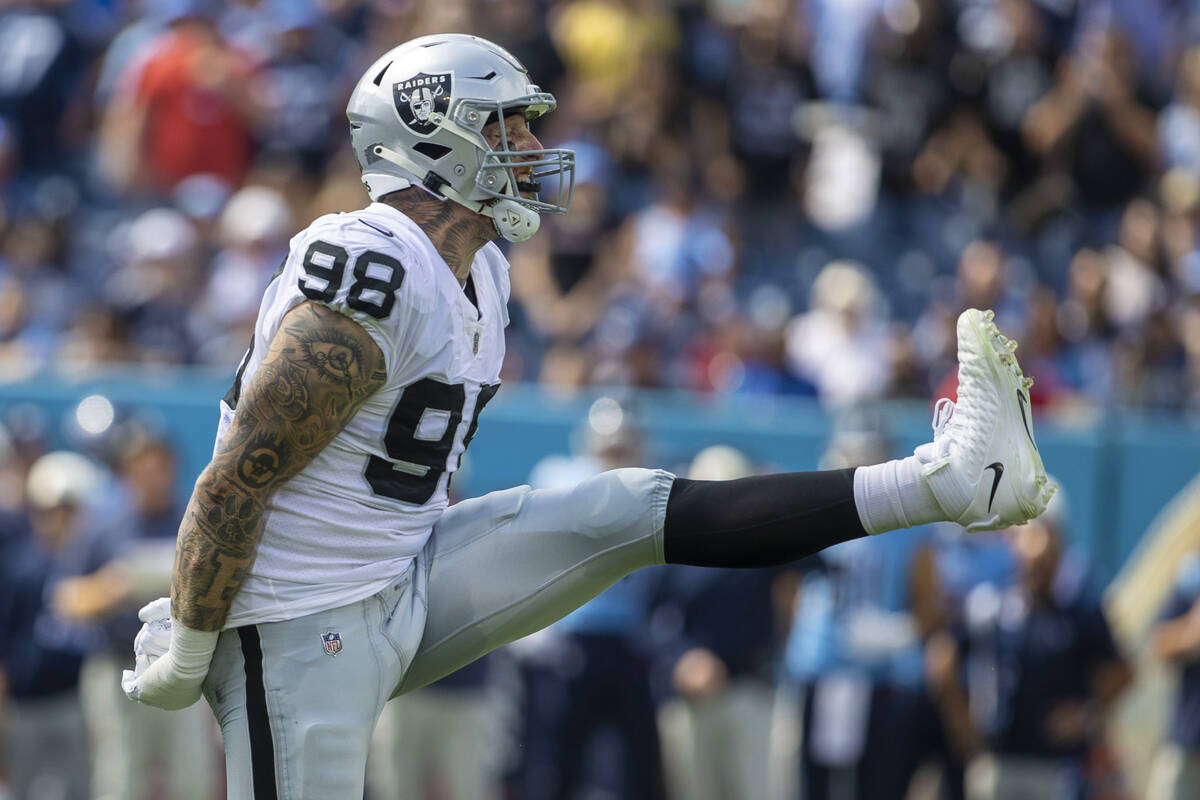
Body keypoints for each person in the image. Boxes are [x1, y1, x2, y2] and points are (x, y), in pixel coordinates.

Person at [120, 33, 1056, 800]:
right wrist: (194, 640)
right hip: (294, 624)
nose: (531, 150)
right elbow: (239, 472)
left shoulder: (481, 268)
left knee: (623, 509)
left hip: (403, 578)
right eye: (507, 128)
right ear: (433, 136)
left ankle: (953, 479)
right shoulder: (373, 265)